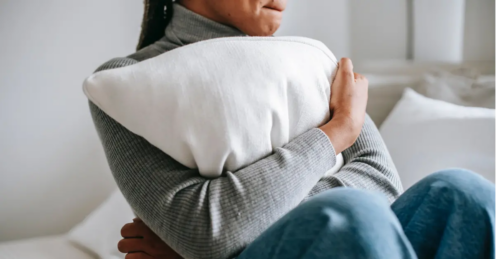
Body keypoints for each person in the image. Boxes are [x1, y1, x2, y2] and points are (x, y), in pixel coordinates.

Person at [88, 0, 500, 258]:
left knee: (464, 192)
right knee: (350, 214)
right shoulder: (127, 81)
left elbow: (383, 186)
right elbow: (209, 231)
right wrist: (334, 133)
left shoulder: (310, 61)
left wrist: (243, 226)